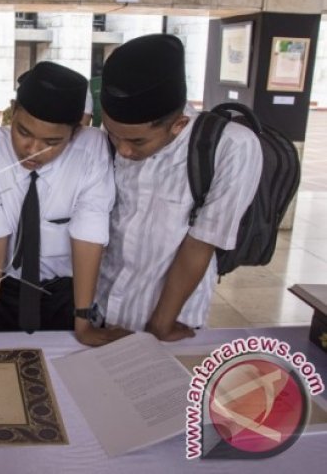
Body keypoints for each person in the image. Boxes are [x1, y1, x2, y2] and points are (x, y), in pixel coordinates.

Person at [93, 34, 262, 345]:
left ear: (179, 124)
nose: (124, 151)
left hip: (171, 319)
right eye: (115, 135)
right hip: (102, 309)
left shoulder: (230, 147)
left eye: (137, 141)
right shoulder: (116, 135)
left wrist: (161, 324)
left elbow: (202, 242)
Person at [0, 61, 117, 345]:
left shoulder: (91, 149)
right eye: (23, 132)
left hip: (66, 294)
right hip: (2, 289)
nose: (32, 150)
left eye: (51, 142)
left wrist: (83, 324)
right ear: (12, 112)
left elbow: (89, 234)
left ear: (74, 133)